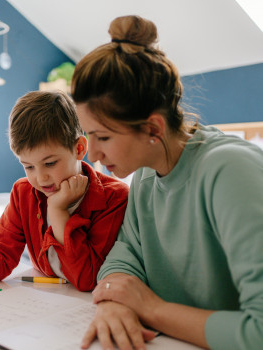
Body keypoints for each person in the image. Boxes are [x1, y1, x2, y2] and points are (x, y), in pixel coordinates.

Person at [70, 15, 263, 350]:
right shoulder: (147, 173)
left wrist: (151, 309)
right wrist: (115, 302)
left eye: (102, 136)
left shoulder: (230, 171)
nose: (93, 154)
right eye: (88, 135)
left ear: (153, 129)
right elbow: (125, 254)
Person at [0, 91, 129, 292]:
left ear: (79, 148)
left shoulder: (115, 197)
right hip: (44, 304)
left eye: (50, 163)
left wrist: (58, 212)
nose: (40, 178)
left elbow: (87, 279)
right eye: (28, 167)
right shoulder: (23, 192)